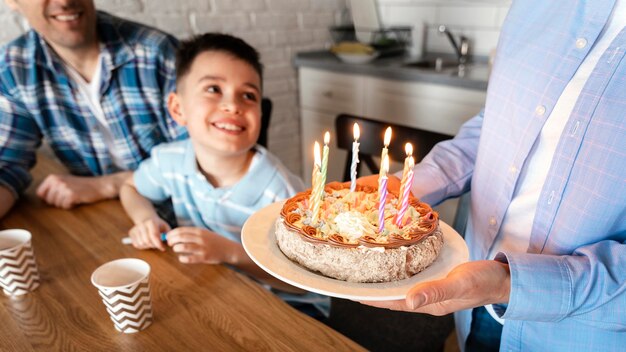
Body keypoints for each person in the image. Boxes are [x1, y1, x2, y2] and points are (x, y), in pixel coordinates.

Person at [362, 1, 626, 351]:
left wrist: (509, 284)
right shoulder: (533, 8)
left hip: (582, 335)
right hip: (473, 298)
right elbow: (499, 126)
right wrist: (407, 186)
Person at [119, 33, 329, 318]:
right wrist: (145, 219)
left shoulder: (281, 193)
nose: (233, 105)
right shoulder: (170, 161)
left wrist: (229, 253)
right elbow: (130, 188)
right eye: (213, 89)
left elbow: (304, 282)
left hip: (288, 310)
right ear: (178, 108)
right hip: (213, 289)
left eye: (248, 95)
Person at [0, 0, 187, 218]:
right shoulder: (14, 68)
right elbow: (7, 169)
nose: (65, 1)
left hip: (185, 223)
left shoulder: (157, 52)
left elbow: (208, 164)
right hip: (111, 219)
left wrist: (110, 185)